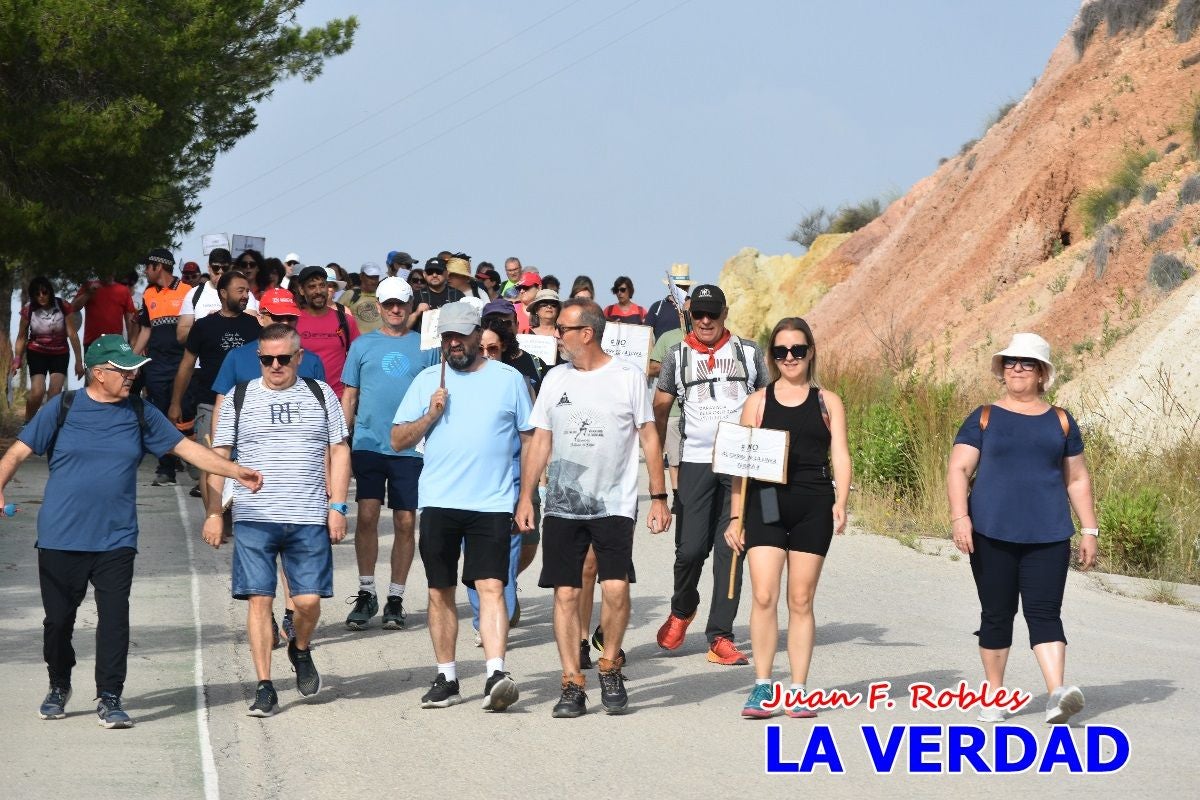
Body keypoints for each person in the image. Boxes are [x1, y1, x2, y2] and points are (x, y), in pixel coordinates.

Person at [0, 335, 261, 727]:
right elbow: (18, 452)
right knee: (57, 622)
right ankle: (59, 683)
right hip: (60, 535)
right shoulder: (63, 407)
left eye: (133, 370)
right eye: (124, 370)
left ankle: (109, 695)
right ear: (99, 373)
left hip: (116, 537)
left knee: (114, 619)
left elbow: (188, 450)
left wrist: (234, 470)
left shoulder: (140, 411)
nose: (132, 377)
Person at [516, 299, 670, 717]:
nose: (556, 336)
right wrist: (527, 496)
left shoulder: (627, 377)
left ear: (587, 333)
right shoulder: (554, 379)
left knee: (616, 588)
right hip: (563, 506)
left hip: (614, 504)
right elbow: (541, 440)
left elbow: (649, 437)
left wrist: (659, 496)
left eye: (563, 329)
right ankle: (571, 682)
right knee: (566, 592)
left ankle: (609, 665)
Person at [947, 332, 1098, 726]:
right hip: (991, 533)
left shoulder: (1061, 421)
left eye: (1027, 363)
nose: (1017, 368)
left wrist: (1089, 530)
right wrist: (960, 518)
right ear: (1002, 369)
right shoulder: (984, 417)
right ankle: (994, 696)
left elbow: (1077, 479)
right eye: (1011, 362)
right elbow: (959, 469)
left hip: (1048, 535)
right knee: (996, 615)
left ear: (1042, 373)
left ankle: (1057, 696)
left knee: (1046, 613)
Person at [391, 302, 533, 711]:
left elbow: (529, 439)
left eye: (460, 336)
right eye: (447, 338)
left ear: (477, 334)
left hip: (491, 502)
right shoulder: (425, 381)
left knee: (491, 586)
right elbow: (398, 439)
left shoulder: (508, 380)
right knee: (440, 591)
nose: (453, 344)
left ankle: (495, 672)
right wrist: (431, 415)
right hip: (438, 502)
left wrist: (525, 496)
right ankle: (447, 677)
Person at [206, 323, 350, 717]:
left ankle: (300, 649)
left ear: (298, 358)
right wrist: (215, 512)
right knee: (259, 600)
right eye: (266, 359)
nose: (274, 366)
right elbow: (217, 458)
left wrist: (337, 506)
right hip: (254, 517)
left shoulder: (321, 395)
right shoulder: (239, 398)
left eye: (283, 358)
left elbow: (339, 451)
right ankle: (264, 686)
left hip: (307, 516)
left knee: (307, 603)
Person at [726, 318, 851, 718]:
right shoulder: (758, 402)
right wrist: (735, 517)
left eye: (797, 350)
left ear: (810, 351)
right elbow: (739, 462)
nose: (790, 358)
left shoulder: (827, 401)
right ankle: (763, 686)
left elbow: (841, 454)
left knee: (801, 599)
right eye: (781, 352)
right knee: (763, 594)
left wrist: (842, 501)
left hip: (814, 501)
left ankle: (798, 688)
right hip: (766, 501)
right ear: (772, 356)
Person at [653, 284, 768, 665]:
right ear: (691, 314)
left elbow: (771, 401)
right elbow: (661, 405)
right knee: (689, 550)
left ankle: (720, 635)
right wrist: (657, 451)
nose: (705, 320)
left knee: (730, 550)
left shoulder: (749, 353)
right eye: (699, 313)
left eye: (713, 314)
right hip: (696, 461)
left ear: (725, 314)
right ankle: (683, 609)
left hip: (740, 461)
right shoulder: (676, 354)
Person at [340, 277, 437, 630]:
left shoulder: (427, 346)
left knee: (406, 521)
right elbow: (349, 395)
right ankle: (367, 592)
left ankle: (396, 597)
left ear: (411, 305)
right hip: (367, 443)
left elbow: (437, 394)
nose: (396, 309)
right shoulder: (362, 345)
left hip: (410, 446)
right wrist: (342, 439)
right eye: (389, 304)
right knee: (366, 515)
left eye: (402, 303)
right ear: (378, 306)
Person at [168, 271, 260, 508]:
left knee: (243, 461)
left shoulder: (254, 326)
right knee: (210, 462)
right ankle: (214, 515)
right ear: (223, 293)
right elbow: (187, 366)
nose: (245, 296)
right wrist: (176, 403)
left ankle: (238, 511)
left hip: (248, 405)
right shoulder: (203, 326)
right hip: (209, 403)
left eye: (247, 291)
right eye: (240, 291)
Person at [132, 248, 193, 486]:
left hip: (183, 363)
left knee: (185, 414)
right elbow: (146, 330)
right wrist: (133, 360)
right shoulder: (148, 294)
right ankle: (166, 468)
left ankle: (192, 460)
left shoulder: (189, 292)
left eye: (148, 266)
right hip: (156, 365)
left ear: (159, 266)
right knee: (160, 414)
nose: (145, 271)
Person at [13, 276, 84, 421]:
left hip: (60, 354)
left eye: (44, 292)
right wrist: (17, 359)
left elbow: (72, 334)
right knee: (37, 392)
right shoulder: (28, 310)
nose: (41, 296)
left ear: (50, 292)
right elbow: (21, 337)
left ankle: (47, 425)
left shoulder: (63, 305)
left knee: (54, 392)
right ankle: (28, 422)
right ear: (33, 295)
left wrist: (78, 361)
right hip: (37, 353)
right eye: (37, 294)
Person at [295, 265, 359, 399]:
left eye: (322, 285)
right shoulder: (293, 322)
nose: (318, 291)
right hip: (302, 399)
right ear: (302, 290)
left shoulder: (345, 320)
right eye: (312, 287)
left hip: (338, 399)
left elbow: (357, 359)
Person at [176, 248, 260, 346]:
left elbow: (251, 327)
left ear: (231, 268)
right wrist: (204, 324)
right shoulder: (194, 294)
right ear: (208, 267)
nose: (220, 274)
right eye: (216, 269)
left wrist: (220, 319)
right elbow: (181, 337)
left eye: (225, 269)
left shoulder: (244, 293)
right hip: (205, 359)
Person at [72, 273, 137, 347]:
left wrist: (132, 341)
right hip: (92, 343)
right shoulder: (89, 286)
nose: (107, 271)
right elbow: (74, 308)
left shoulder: (123, 290)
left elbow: (129, 319)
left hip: (115, 343)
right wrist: (88, 293)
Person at [407, 257, 465, 333]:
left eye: (439, 271)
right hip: (421, 343)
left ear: (447, 274)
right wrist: (416, 313)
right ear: (424, 274)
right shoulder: (415, 296)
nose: (434, 275)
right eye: (430, 272)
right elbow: (402, 328)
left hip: (450, 342)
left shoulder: (458, 295)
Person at [647, 263, 693, 338]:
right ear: (670, 286)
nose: (680, 290)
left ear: (689, 287)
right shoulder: (657, 307)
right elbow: (645, 337)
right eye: (677, 286)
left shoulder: (696, 307)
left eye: (684, 287)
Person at [342, 262, 385, 335]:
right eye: (370, 277)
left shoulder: (383, 296)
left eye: (376, 277)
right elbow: (335, 318)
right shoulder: (350, 295)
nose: (374, 281)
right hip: (358, 343)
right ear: (361, 276)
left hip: (381, 343)